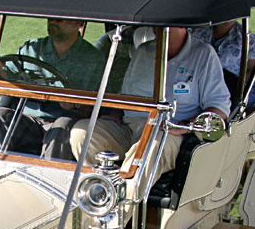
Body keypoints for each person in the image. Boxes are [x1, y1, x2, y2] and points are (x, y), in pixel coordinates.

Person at [69, 26, 230, 174]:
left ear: (182, 24)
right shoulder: (144, 51)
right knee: (82, 133)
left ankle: (125, 201)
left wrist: (185, 125)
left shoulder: (203, 54)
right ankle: (97, 191)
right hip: (132, 125)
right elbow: (127, 93)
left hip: (170, 132)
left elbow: (219, 108)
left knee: (149, 147)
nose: (156, 28)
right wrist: (115, 112)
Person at [0, 18, 106, 156]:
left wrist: (76, 106)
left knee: (62, 124)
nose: (52, 22)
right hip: (27, 119)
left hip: (63, 122)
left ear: (77, 23)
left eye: (59, 19)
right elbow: (2, 85)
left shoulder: (93, 60)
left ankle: (50, 175)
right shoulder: (31, 49)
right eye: (50, 18)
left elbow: (100, 109)